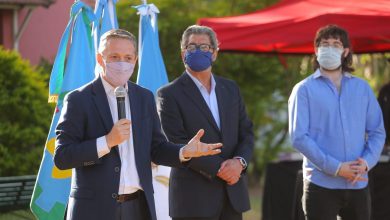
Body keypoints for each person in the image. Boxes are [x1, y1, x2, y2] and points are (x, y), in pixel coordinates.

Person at [53, 29, 222, 220]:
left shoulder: (144, 97)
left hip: (138, 207)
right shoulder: (78, 99)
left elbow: (156, 149)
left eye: (127, 57)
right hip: (93, 210)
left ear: (135, 61)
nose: (121, 63)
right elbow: (62, 157)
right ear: (100, 59)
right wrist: (107, 141)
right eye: (114, 56)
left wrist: (183, 152)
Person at [288, 24, 385, 220]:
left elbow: (377, 131)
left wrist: (366, 162)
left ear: (345, 51)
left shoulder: (362, 88)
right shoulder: (303, 90)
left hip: (358, 183)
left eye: (336, 44)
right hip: (321, 185)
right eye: (325, 44)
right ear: (316, 50)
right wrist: (337, 168)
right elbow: (299, 137)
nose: (329, 48)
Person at [157, 25, 254, 220]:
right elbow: (177, 142)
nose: (198, 51)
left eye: (204, 47)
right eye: (192, 47)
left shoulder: (230, 88)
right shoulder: (168, 94)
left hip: (232, 195)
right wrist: (220, 169)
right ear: (183, 53)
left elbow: (246, 132)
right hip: (193, 200)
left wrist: (239, 163)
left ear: (215, 53)